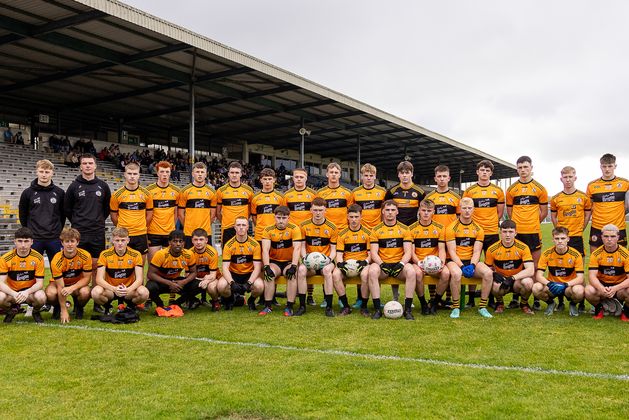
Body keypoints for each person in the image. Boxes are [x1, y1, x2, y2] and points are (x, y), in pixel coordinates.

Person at [64, 153, 111, 312]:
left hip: (97, 232)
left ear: (95, 165)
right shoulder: (74, 186)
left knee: (97, 267)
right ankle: (79, 301)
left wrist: (95, 220)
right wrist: (79, 223)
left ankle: (97, 302)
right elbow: (68, 209)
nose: (88, 166)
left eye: (90, 163)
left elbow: (106, 210)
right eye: (85, 163)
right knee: (78, 266)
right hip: (79, 233)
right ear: (80, 166)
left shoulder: (103, 186)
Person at [505, 156, 548, 310]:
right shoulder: (511, 189)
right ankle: (516, 298)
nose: (523, 170)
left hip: (533, 233)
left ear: (531, 167)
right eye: (520, 167)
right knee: (518, 266)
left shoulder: (540, 188)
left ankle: (535, 299)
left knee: (535, 267)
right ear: (517, 169)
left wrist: (532, 223)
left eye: (525, 167)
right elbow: (510, 212)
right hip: (518, 233)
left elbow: (543, 212)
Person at [463, 159, 505, 307]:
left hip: (492, 232)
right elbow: (465, 210)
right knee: (471, 263)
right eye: (482, 170)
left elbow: (499, 213)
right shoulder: (470, 191)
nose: (484, 173)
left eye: (487, 170)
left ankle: (491, 298)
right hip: (474, 233)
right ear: (477, 172)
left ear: (491, 173)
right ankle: (470, 299)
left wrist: (489, 224)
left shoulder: (498, 191)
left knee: (491, 266)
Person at [549, 166, 591, 312]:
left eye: (570, 177)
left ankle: (580, 302)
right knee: (561, 270)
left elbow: (587, 215)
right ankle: (560, 301)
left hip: (577, 238)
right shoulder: (556, 198)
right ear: (561, 179)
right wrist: (559, 230)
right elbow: (553, 216)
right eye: (565, 177)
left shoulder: (583, 197)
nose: (568, 180)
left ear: (575, 177)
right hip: (561, 237)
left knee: (579, 271)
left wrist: (580, 229)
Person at [444, 197, 494, 318]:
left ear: (473, 210)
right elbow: (451, 251)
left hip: (471, 261)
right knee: (456, 274)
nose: (467, 211)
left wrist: (472, 265)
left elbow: (477, 251)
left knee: (488, 273)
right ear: (460, 209)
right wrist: (462, 266)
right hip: (455, 261)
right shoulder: (451, 228)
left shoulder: (478, 229)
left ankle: (482, 306)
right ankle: (455, 307)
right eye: (464, 208)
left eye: (469, 208)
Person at [368, 200, 416, 320]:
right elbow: (373, 252)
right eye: (387, 210)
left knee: (411, 271)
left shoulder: (405, 229)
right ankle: (377, 309)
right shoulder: (376, 230)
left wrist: (401, 264)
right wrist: (381, 264)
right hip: (383, 266)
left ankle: (408, 310)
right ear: (383, 211)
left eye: (393, 210)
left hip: (399, 266)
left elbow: (408, 252)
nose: (390, 213)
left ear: (397, 212)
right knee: (372, 271)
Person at [385, 161, 425, 302]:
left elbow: (423, 211)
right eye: (402, 173)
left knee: (411, 266)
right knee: (395, 262)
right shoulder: (392, 191)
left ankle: (411, 298)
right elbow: (386, 210)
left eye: (407, 172)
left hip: (412, 232)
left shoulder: (420, 192)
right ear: (398, 175)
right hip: (395, 232)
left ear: (412, 174)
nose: (405, 175)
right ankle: (395, 296)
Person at [350, 163, 386, 309]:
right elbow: (353, 212)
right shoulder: (356, 192)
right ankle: (360, 297)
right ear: (361, 176)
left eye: (371, 175)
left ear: (375, 177)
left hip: (377, 233)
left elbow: (385, 212)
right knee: (361, 264)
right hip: (361, 233)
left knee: (376, 265)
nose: (369, 178)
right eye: (366, 175)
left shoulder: (382, 192)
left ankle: (378, 297)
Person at [91, 227, 149, 313]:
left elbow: (139, 279)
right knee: (95, 292)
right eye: (117, 240)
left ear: (128, 240)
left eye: (123, 240)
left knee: (144, 293)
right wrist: (114, 289)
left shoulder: (136, 254)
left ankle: (130, 306)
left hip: (128, 290)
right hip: (111, 290)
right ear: (112, 241)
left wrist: (128, 290)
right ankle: (108, 306)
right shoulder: (105, 254)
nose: (120, 243)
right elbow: (99, 279)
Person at [298, 197, 338, 316]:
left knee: (327, 271)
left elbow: (333, 250)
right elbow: (302, 246)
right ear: (310, 210)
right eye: (315, 210)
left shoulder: (332, 227)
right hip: (310, 261)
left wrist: (328, 260)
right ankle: (302, 306)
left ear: (325, 210)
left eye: (320, 210)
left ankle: (329, 307)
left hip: (326, 261)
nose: (318, 213)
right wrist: (305, 259)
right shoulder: (304, 226)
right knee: (300, 270)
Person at [532, 226, 585, 317]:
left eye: (562, 238)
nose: (560, 241)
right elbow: (539, 276)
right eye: (557, 238)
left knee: (579, 290)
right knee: (536, 287)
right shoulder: (547, 254)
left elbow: (580, 278)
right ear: (553, 239)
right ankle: (551, 303)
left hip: (568, 287)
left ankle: (572, 304)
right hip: (552, 286)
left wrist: (566, 285)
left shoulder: (576, 255)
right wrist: (549, 284)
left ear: (568, 239)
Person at [18, 159, 65, 260]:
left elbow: (62, 215)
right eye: (41, 171)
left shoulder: (60, 193)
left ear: (52, 173)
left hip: (54, 238)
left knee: (57, 270)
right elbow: (23, 215)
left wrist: (57, 231)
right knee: (33, 270)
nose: (44, 175)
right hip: (34, 238)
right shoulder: (27, 193)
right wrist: (30, 232)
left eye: (47, 172)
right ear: (36, 172)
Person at [485, 220, 535, 315]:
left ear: (515, 233)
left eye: (511, 232)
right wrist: (494, 273)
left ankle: (524, 304)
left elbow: (530, 270)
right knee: (494, 285)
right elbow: (487, 268)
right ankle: (499, 303)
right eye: (504, 232)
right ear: (500, 232)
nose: (507, 235)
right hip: (502, 281)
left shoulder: (523, 247)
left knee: (528, 282)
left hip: (517, 281)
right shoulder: (492, 249)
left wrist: (512, 278)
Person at [284, 168, 317, 304]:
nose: (298, 179)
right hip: (291, 234)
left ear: (306, 178)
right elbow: (283, 213)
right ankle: (291, 292)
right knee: (293, 263)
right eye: (296, 177)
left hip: (308, 233)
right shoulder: (286, 195)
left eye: (301, 177)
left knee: (310, 262)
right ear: (293, 178)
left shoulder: (313, 194)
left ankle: (309, 295)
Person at [260, 206, 302, 316]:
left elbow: (297, 248)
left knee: (291, 275)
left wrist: (293, 266)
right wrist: (267, 266)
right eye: (278, 217)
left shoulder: (294, 229)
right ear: (274, 217)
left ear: (288, 218)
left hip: (289, 262)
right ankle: (268, 306)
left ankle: (289, 306)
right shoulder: (268, 230)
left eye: (284, 218)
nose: (281, 220)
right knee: (269, 275)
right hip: (275, 261)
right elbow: (265, 250)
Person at [409, 199, 448, 315]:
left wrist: (441, 263)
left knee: (446, 274)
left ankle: (435, 303)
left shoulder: (440, 228)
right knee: (417, 274)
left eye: (429, 211)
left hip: (435, 262)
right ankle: (423, 304)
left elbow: (441, 249)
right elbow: (411, 251)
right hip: (418, 262)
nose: (426, 213)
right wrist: (419, 262)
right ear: (419, 211)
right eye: (423, 210)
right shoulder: (411, 229)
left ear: (433, 212)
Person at [45, 227, 92, 323]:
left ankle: (79, 307)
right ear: (62, 243)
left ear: (77, 242)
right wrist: (64, 310)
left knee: (85, 292)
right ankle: (58, 308)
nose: (70, 244)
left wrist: (72, 288)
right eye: (67, 241)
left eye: (72, 241)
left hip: (77, 283)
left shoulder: (85, 255)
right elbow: (60, 286)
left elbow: (87, 279)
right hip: (60, 283)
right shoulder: (56, 260)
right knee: (50, 293)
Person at [216, 217, 264, 311]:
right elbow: (225, 268)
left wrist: (249, 283)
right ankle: (230, 300)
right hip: (233, 273)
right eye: (238, 225)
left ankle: (251, 301)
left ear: (247, 227)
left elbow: (257, 267)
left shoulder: (255, 245)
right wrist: (232, 283)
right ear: (234, 227)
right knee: (221, 286)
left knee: (260, 286)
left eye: (243, 225)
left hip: (249, 274)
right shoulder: (228, 245)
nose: (241, 227)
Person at [0, 228, 46, 323]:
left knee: (41, 296)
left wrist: (27, 292)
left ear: (32, 242)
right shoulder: (5, 258)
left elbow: (40, 283)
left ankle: (35, 311)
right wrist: (14, 293)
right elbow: (1, 283)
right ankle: (10, 312)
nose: (23, 245)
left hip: (29, 294)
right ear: (15, 242)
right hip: (12, 294)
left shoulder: (38, 258)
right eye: (20, 241)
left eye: (26, 241)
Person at [110, 162, 153, 263]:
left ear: (139, 175)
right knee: (122, 265)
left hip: (140, 234)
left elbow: (150, 215)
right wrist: (122, 228)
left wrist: (141, 226)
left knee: (140, 266)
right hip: (123, 236)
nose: (132, 176)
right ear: (125, 174)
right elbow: (113, 216)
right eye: (129, 173)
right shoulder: (116, 195)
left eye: (135, 174)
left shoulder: (146, 194)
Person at [146, 230, 200, 313]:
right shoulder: (161, 254)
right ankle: (160, 305)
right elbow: (150, 274)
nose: (178, 244)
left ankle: (177, 303)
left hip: (177, 281)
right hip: (162, 282)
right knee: (150, 286)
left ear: (184, 243)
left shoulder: (189, 254)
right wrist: (169, 283)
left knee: (198, 285)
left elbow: (194, 272)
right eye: (175, 241)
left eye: (180, 241)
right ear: (169, 242)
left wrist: (183, 282)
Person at [584, 224, 629, 321]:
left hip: (620, 288)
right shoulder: (596, 254)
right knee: (588, 290)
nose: (609, 239)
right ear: (601, 237)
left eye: (612, 236)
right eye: (606, 236)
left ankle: (626, 310)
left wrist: (615, 288)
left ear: (618, 237)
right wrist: (601, 288)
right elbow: (592, 276)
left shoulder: (625, 254)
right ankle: (599, 308)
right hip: (603, 286)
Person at [334, 204, 371, 316]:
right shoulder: (342, 234)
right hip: (347, 264)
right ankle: (345, 306)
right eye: (351, 217)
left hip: (363, 263)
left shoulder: (368, 233)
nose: (354, 220)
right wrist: (340, 264)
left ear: (361, 217)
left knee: (365, 275)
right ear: (347, 217)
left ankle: (364, 307)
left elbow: (370, 254)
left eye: (356, 217)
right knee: (335, 275)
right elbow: (339, 253)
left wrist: (366, 262)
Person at [586, 153, 629, 251]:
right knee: (595, 260)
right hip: (597, 227)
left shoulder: (625, 183)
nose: (607, 169)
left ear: (615, 166)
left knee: (621, 260)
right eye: (604, 166)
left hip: (618, 227)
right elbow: (588, 208)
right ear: (600, 166)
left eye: (610, 166)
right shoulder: (592, 185)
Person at [146, 161, 180, 264]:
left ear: (170, 173)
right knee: (153, 265)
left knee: (168, 265)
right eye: (162, 171)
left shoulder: (176, 191)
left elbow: (176, 213)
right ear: (157, 173)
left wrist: (171, 227)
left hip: (169, 233)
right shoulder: (148, 191)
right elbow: (146, 214)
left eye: (167, 172)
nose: (164, 174)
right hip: (153, 233)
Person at [178, 162, 217, 248]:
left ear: (206, 174)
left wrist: (204, 227)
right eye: (197, 172)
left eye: (202, 172)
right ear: (192, 174)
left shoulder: (212, 192)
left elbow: (213, 215)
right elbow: (180, 214)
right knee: (188, 259)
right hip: (189, 233)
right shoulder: (184, 191)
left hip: (205, 233)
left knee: (205, 260)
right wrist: (188, 226)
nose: (200, 174)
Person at [216, 161, 254, 246]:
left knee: (243, 255)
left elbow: (250, 211)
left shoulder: (249, 190)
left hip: (243, 228)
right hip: (227, 229)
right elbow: (218, 212)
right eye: (232, 172)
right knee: (227, 257)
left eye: (237, 173)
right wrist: (225, 222)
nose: (234, 175)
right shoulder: (221, 191)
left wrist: (243, 221)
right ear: (228, 174)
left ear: (241, 174)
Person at [189, 228, 220, 311]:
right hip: (196, 278)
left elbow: (213, 275)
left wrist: (206, 281)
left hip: (211, 277)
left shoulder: (212, 252)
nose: (198, 242)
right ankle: (193, 300)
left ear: (206, 240)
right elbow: (187, 275)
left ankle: (216, 301)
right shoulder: (189, 253)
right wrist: (200, 280)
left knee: (211, 287)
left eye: (201, 239)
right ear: (192, 240)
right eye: (196, 239)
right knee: (184, 284)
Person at [251, 168, 285, 242]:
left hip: (276, 233)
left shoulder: (280, 197)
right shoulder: (255, 198)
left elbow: (284, 216)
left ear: (274, 180)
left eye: (270, 179)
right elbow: (254, 216)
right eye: (265, 179)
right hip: (260, 234)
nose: (267, 181)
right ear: (261, 180)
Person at [317, 162, 353, 231]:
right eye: (331, 172)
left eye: (336, 173)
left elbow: (351, 213)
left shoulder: (347, 193)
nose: (333, 174)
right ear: (327, 174)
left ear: (339, 175)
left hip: (343, 230)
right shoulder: (320, 193)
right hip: (326, 230)